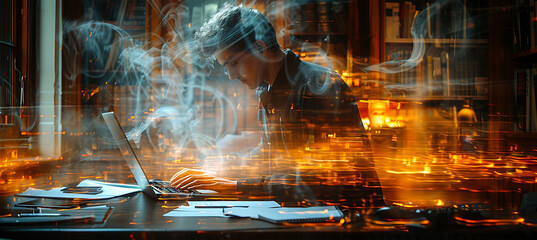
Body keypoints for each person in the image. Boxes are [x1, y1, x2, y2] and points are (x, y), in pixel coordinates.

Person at [170, 4, 383, 206]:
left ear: (259, 47)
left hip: (347, 222)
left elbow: (317, 180)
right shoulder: (270, 90)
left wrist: (231, 186)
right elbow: (270, 156)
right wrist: (219, 168)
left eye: (233, 63)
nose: (231, 75)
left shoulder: (315, 87)